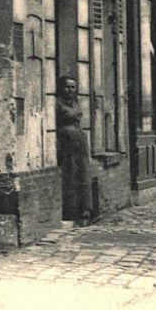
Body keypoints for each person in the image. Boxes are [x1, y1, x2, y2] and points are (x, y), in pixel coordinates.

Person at [57, 77, 94, 226]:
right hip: (67, 145)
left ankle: (84, 211)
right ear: (61, 88)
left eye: (73, 87)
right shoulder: (57, 103)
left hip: (80, 144)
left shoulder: (76, 102)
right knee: (70, 176)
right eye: (67, 87)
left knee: (83, 176)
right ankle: (70, 212)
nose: (70, 90)